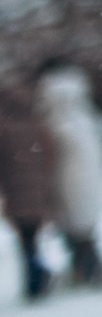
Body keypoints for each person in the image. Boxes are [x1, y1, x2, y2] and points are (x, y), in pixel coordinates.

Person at [33, 68, 102, 292]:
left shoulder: (59, 121)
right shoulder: (84, 116)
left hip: (69, 184)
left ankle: (89, 271)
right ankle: (89, 270)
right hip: (86, 184)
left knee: (78, 232)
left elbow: (58, 156)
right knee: (83, 233)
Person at [0, 80, 58, 303]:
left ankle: (35, 280)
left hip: (16, 193)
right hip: (38, 191)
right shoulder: (37, 126)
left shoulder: (4, 130)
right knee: (32, 238)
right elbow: (49, 157)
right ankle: (38, 277)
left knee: (26, 241)